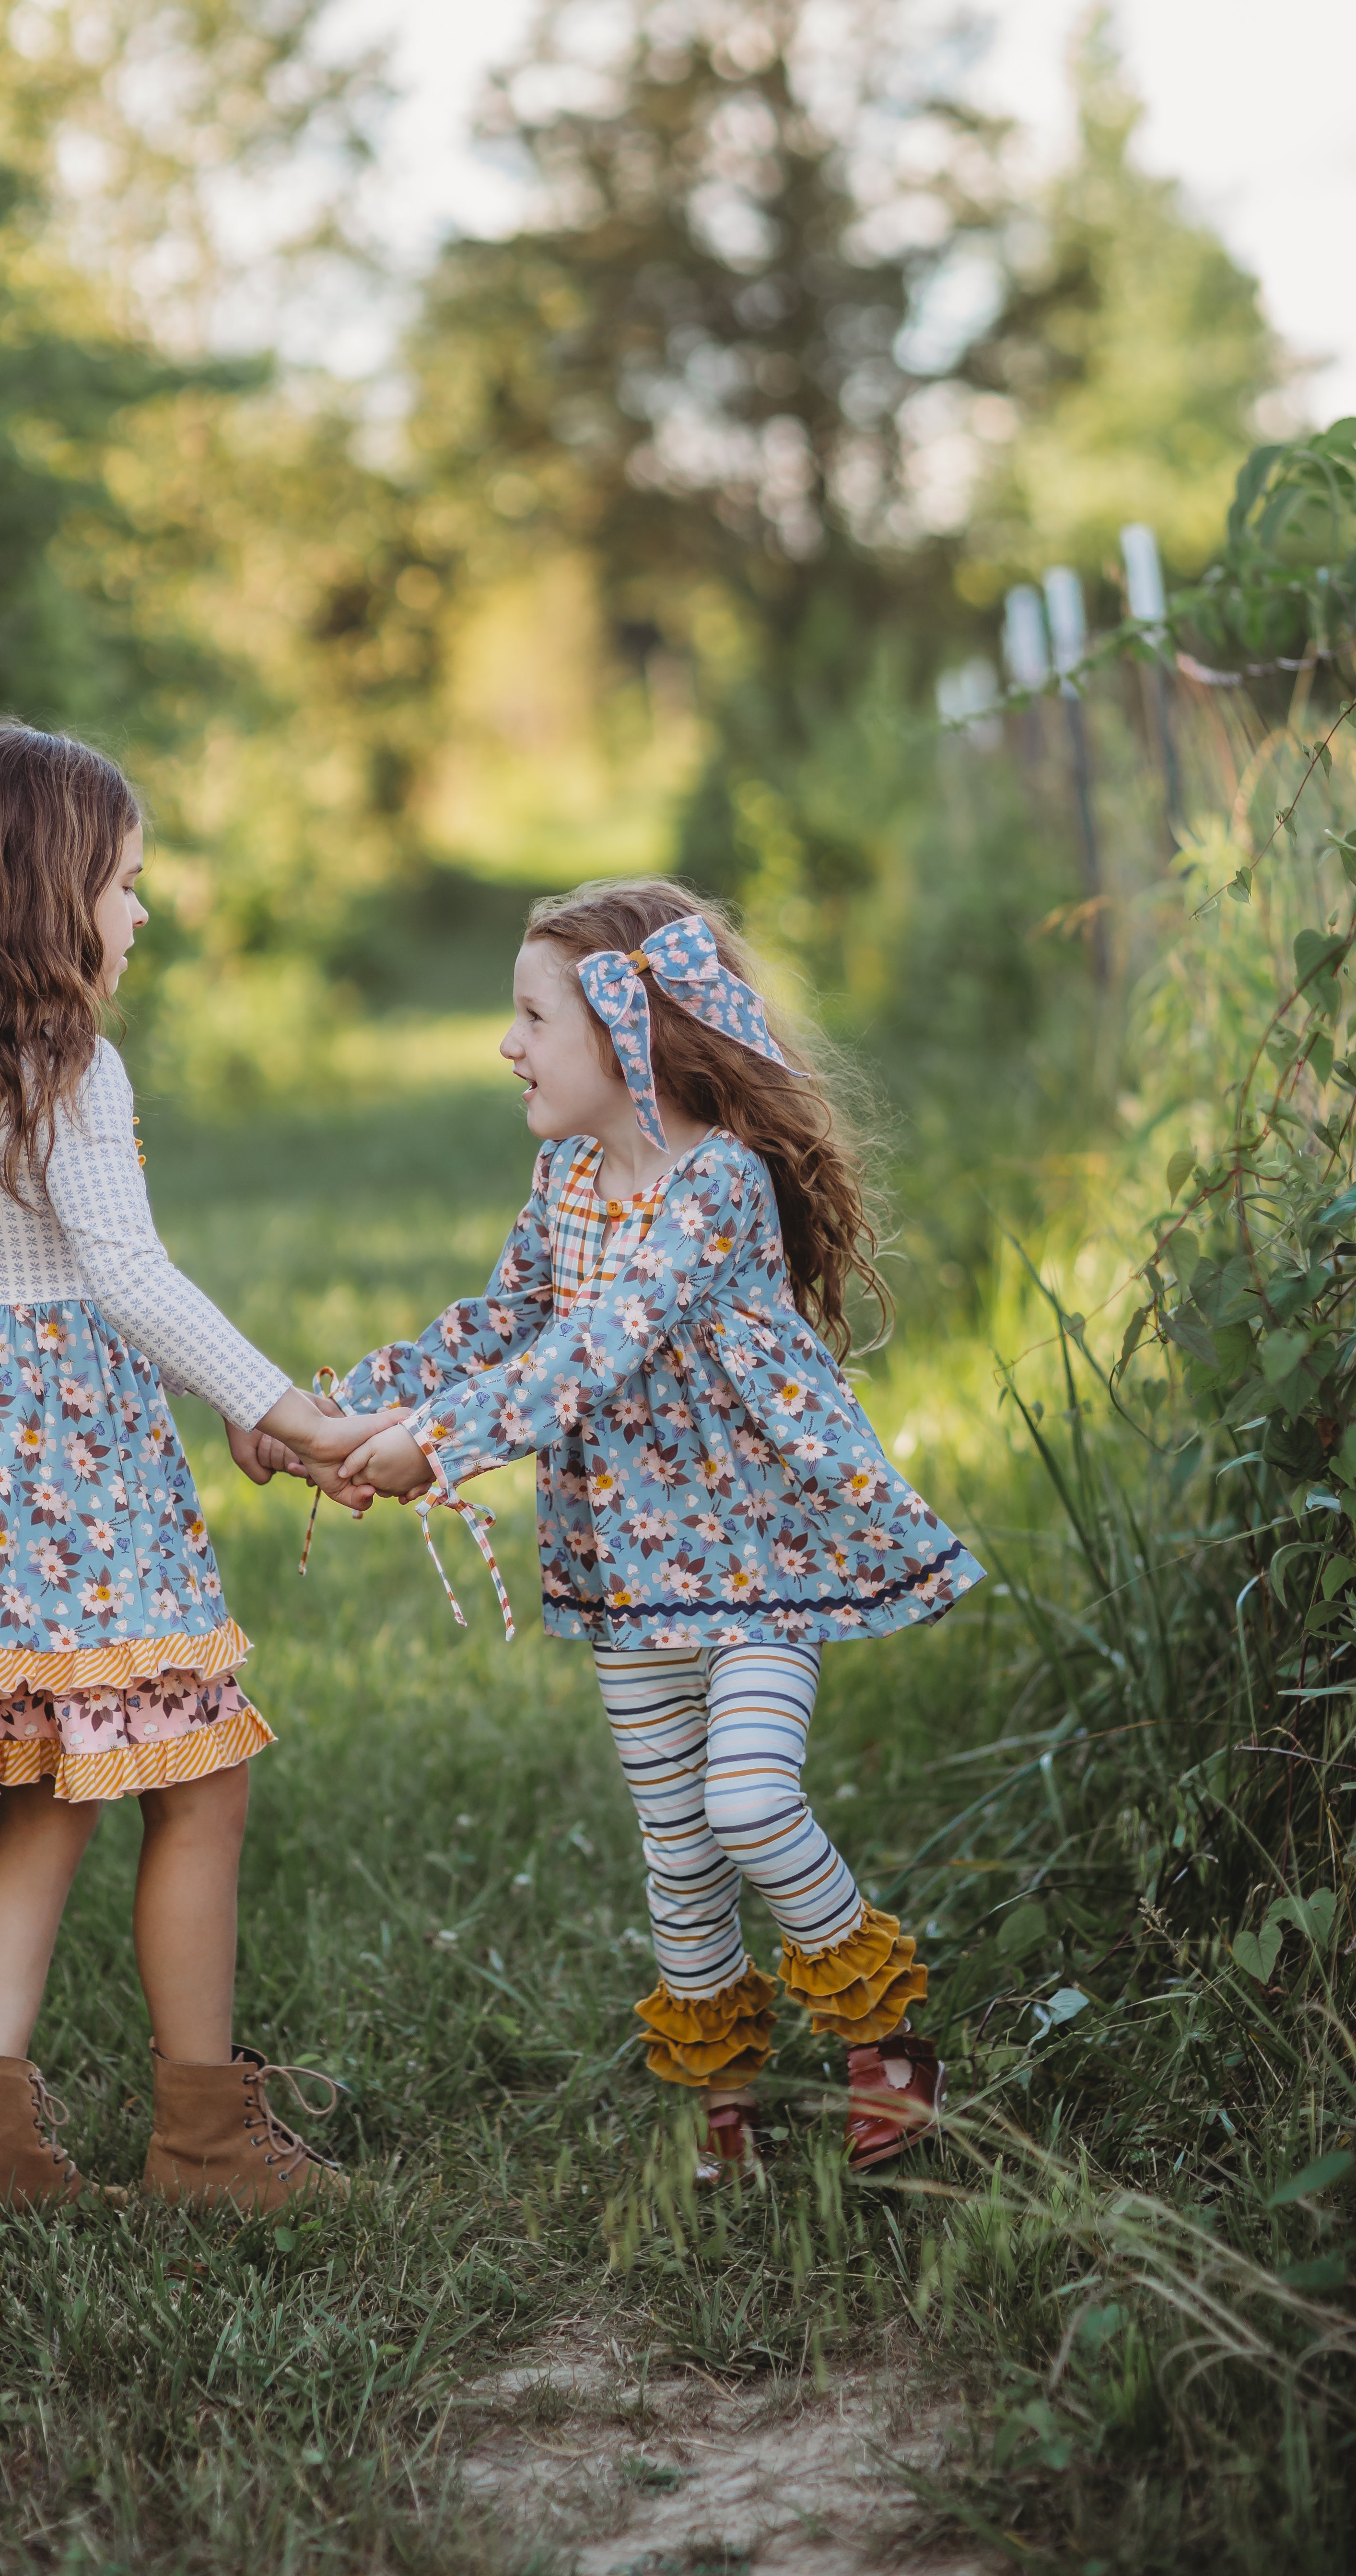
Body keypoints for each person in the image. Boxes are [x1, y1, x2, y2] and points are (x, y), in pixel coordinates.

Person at [284, 879, 983, 2176]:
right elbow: (506, 1324)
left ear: (631, 1030)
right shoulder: (564, 1177)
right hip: (629, 1579)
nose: (509, 1045)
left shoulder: (717, 1185)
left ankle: (885, 2039)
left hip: (766, 1566)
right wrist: (333, 1408)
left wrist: (437, 1443)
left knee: (750, 1801)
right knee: (678, 1854)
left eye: (532, 1016)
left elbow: (601, 1346)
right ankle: (726, 2104)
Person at [0, 720, 347, 2222]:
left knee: (46, 1801)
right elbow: (124, 1276)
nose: (142, 911)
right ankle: (206, 2146)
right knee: (203, 1778)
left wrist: (221, 1399)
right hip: (68, 1478)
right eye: (124, 881)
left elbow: (54, 1283)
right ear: (47, 890)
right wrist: (284, 1408)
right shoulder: (72, 1066)